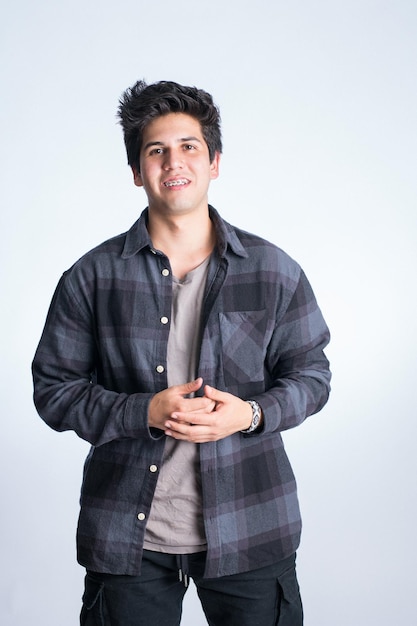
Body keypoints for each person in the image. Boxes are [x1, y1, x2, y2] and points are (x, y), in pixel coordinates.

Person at [32, 80, 331, 626]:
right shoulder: (91, 277)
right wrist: (141, 411)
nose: (175, 162)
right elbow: (54, 391)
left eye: (189, 146)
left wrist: (252, 414)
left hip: (251, 523)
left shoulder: (274, 270)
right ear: (136, 171)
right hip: (129, 532)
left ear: (214, 162)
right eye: (156, 150)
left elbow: (312, 373)